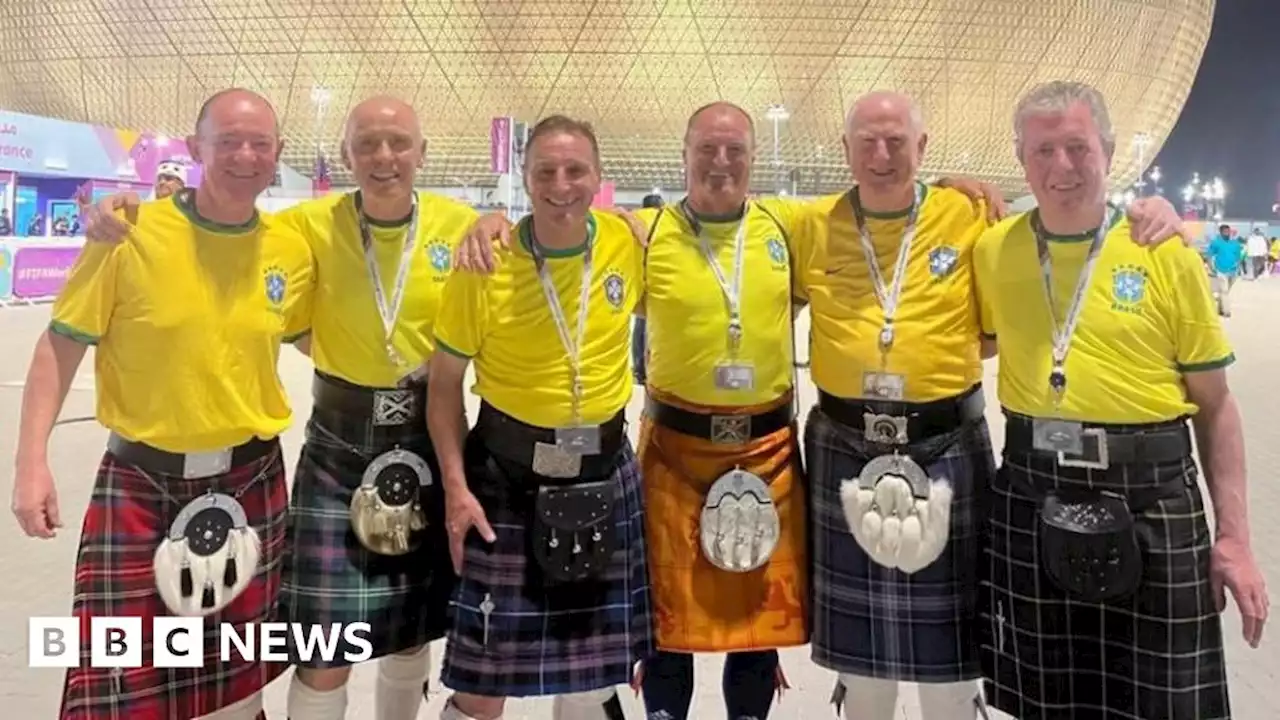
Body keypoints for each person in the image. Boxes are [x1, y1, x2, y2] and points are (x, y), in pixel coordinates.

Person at [790, 90, 1189, 720]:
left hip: (948, 448)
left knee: (954, 671)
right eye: (867, 140)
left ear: (923, 148)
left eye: (898, 140)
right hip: (844, 446)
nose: (882, 154)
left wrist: (1149, 210)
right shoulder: (808, 225)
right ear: (845, 150)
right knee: (862, 674)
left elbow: (1036, 259)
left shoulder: (967, 215)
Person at [76, 95, 477, 720]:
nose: (384, 156)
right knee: (322, 644)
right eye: (367, 143)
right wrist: (109, 206)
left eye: (399, 143)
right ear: (344, 156)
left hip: (430, 434)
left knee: (412, 632)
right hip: (339, 444)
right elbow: (229, 237)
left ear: (423, 153)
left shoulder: (463, 224)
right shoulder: (302, 225)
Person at [10, 88, 312, 720]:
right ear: (197, 147)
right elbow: (61, 344)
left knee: (237, 681)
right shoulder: (128, 231)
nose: (244, 155)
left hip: (251, 480)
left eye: (260, 143)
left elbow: (318, 337)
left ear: (278, 154)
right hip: (141, 483)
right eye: (227, 140)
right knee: (122, 686)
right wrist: (29, 461)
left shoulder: (290, 248)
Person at [974, 80, 1268, 720]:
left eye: (1078, 147)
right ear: (1021, 158)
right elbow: (975, 338)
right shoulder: (993, 251)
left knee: (1163, 708)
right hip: (1031, 490)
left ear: (1109, 151)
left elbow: (1216, 406)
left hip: (1152, 497)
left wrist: (1236, 540)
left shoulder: (1164, 253)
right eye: (1043, 150)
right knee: (1043, 705)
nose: (1061, 167)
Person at [426, 114, 651, 720]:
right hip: (505, 479)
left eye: (576, 170)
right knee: (483, 680)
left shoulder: (628, 242)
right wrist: (455, 488)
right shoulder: (484, 263)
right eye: (544, 171)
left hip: (603, 474)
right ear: (523, 179)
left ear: (600, 178)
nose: (561, 184)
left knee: (590, 679)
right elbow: (444, 387)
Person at [630, 192, 664, 385]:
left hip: (637, 282)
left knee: (639, 328)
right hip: (654, 283)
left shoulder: (635, 220)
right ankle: (647, 369)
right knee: (650, 330)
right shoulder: (658, 224)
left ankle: (639, 369)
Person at [1205, 223, 1244, 316]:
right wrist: (1211, 267)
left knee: (1226, 291)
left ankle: (1220, 309)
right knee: (1224, 291)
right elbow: (1209, 255)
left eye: (1228, 231)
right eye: (1225, 231)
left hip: (1233, 271)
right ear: (1221, 232)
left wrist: (1238, 267)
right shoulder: (1216, 242)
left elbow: (1238, 257)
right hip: (1220, 270)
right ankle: (1227, 311)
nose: (1227, 233)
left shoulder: (1235, 243)